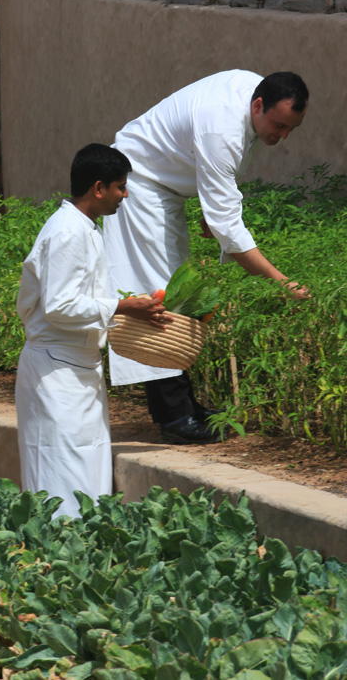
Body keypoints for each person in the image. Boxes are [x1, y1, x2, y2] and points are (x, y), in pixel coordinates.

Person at [103, 70, 309, 445]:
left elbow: (221, 176)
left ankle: (185, 406)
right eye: (278, 126)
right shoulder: (223, 127)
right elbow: (230, 228)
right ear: (258, 105)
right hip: (139, 184)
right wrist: (281, 283)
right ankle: (175, 417)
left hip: (162, 187)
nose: (281, 137)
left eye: (290, 129)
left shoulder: (252, 94)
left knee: (175, 296)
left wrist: (211, 206)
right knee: (158, 300)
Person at [15, 143, 170, 518]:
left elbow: (82, 300)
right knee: (60, 474)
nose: (125, 194)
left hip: (76, 368)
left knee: (84, 470)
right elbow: (60, 306)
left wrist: (134, 309)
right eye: (120, 186)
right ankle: (55, 563)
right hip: (56, 371)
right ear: (98, 188)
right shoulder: (68, 232)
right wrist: (122, 306)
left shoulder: (84, 228)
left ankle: (77, 561)